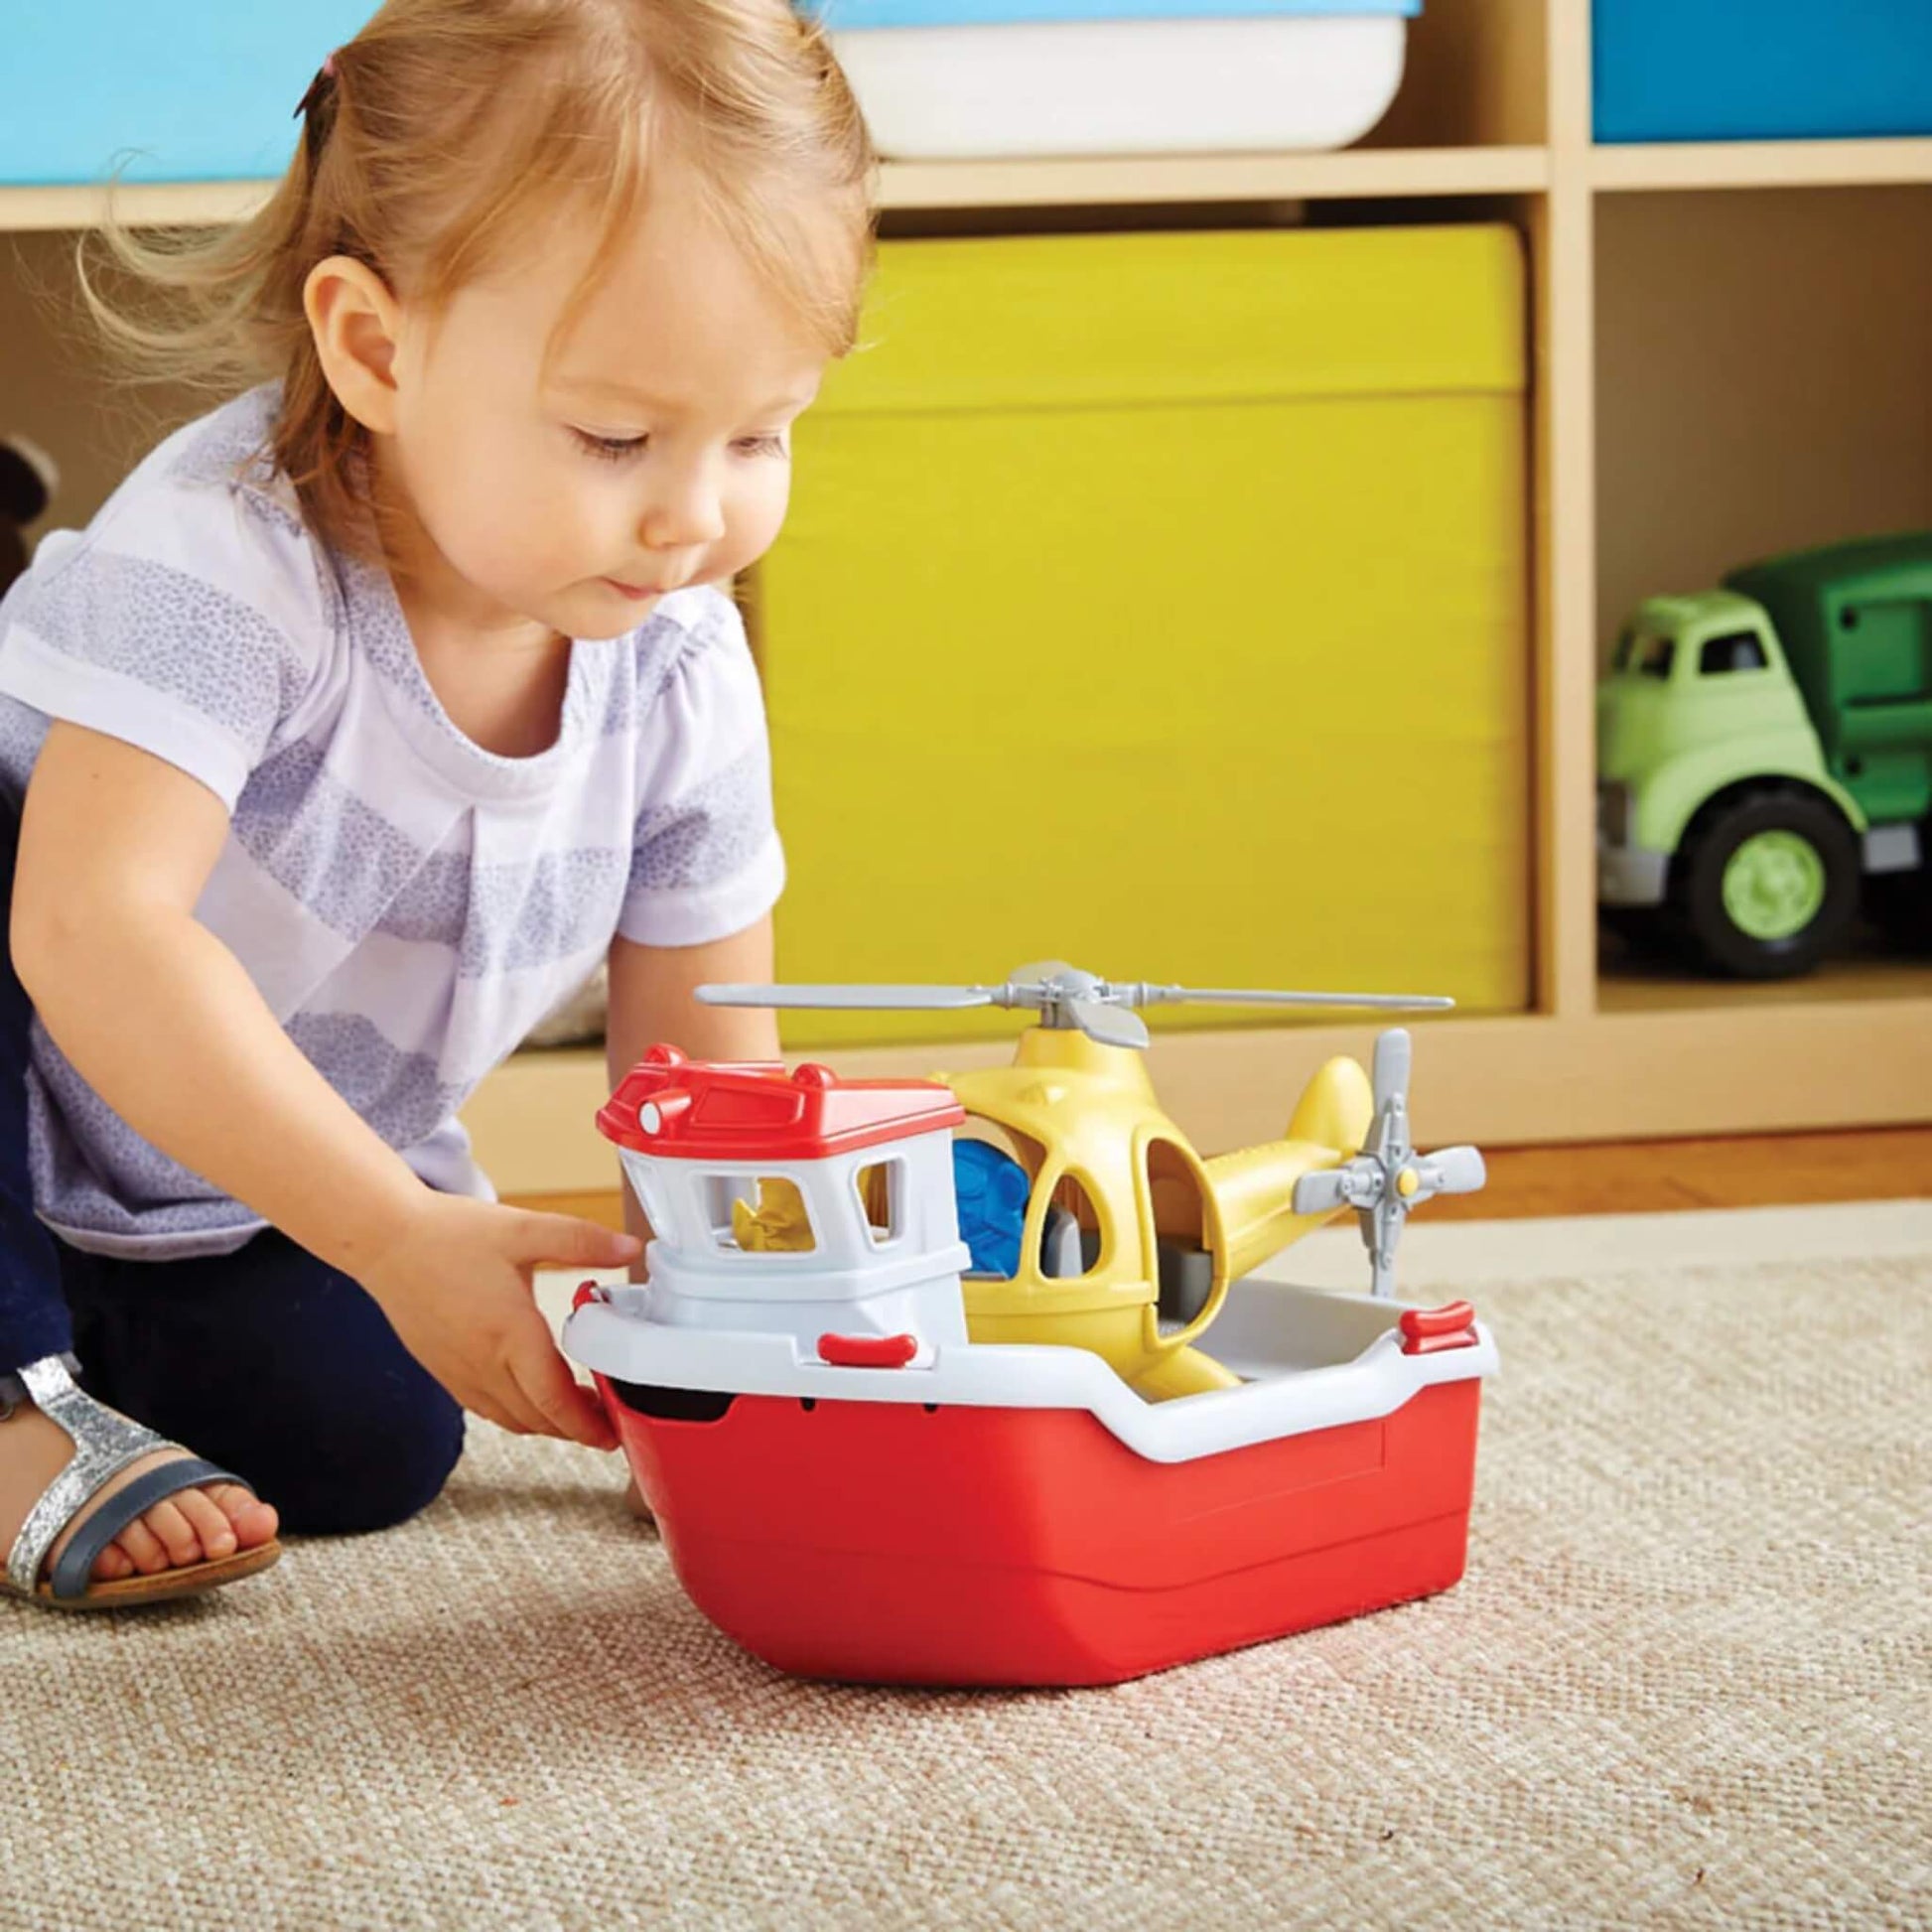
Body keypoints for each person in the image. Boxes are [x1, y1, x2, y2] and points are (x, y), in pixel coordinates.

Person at [0, 0, 872, 1608]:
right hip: (29, 1068)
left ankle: (88, 1374)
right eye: (614, 434)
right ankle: (7, 1401)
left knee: (371, 1435)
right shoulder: (221, 557)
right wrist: (397, 1237)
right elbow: (86, 927)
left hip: (201, 1181)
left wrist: (732, 1352)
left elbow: (701, 1052)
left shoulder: (677, 667)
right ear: (375, 348)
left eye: (761, 432)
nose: (693, 514)